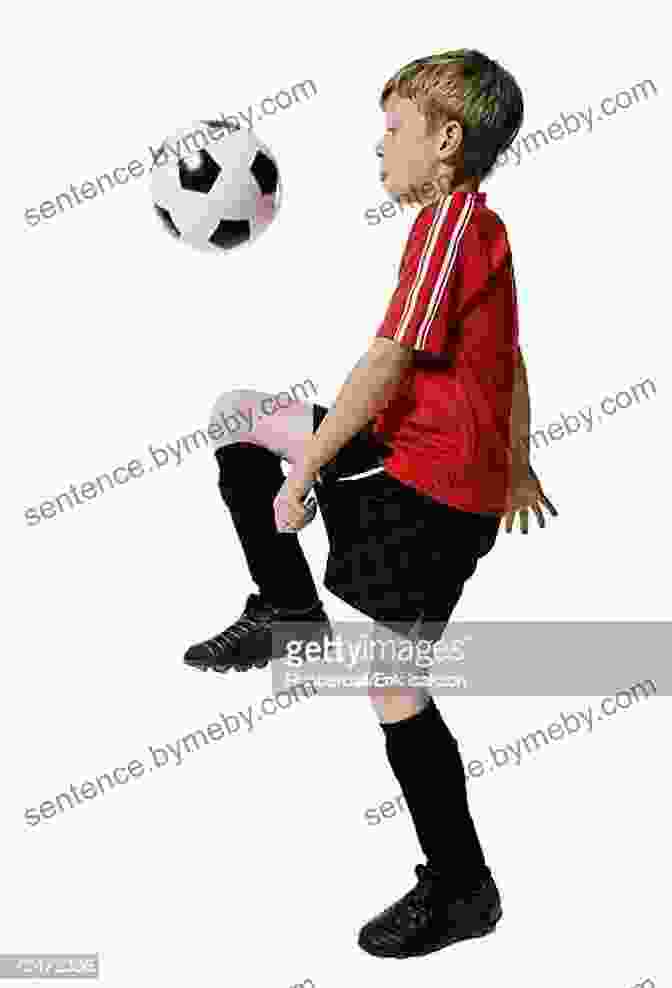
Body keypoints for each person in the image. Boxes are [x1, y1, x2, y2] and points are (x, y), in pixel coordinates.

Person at [184, 49, 558, 959]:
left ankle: (464, 889)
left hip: (423, 490)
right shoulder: (475, 228)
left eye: (394, 131)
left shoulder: (449, 229)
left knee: (394, 686)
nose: (378, 148)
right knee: (239, 417)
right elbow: (508, 359)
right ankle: (287, 610)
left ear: (448, 142)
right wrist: (519, 467)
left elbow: (386, 358)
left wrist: (307, 471)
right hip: (418, 463)